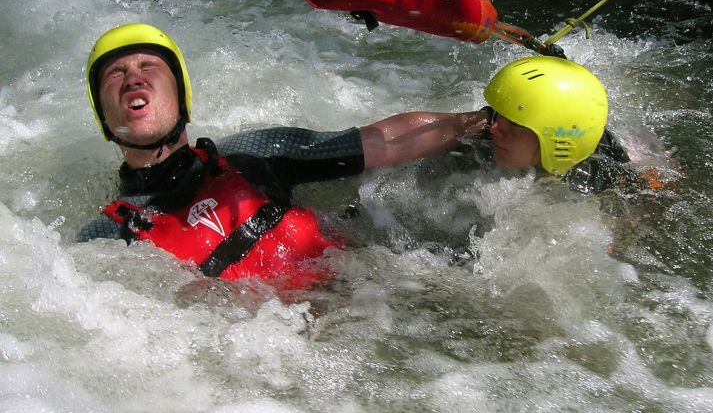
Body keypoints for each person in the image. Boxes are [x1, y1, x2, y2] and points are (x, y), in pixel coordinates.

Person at [77, 23, 488, 289]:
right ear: (104, 116)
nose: (133, 77)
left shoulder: (255, 154)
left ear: (180, 95)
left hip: (370, 304)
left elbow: (386, 140)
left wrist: (484, 122)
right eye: (115, 73)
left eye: (148, 66)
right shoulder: (106, 237)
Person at [476, 55, 630, 194]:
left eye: (515, 124)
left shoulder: (601, 187)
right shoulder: (483, 141)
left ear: (556, 143)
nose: (494, 128)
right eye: (499, 114)